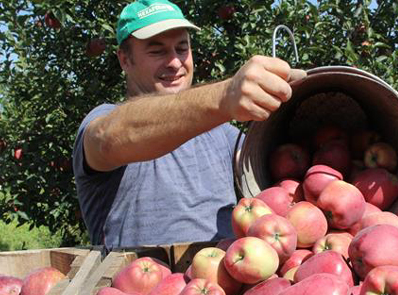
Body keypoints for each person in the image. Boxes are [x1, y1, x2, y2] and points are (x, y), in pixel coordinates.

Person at [72, 0, 306, 249]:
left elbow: (276, 171)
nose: (174, 62)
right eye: (157, 51)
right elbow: (111, 138)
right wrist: (224, 96)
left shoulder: (224, 136)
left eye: (182, 48)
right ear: (124, 60)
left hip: (220, 281)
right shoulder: (107, 120)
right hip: (139, 284)